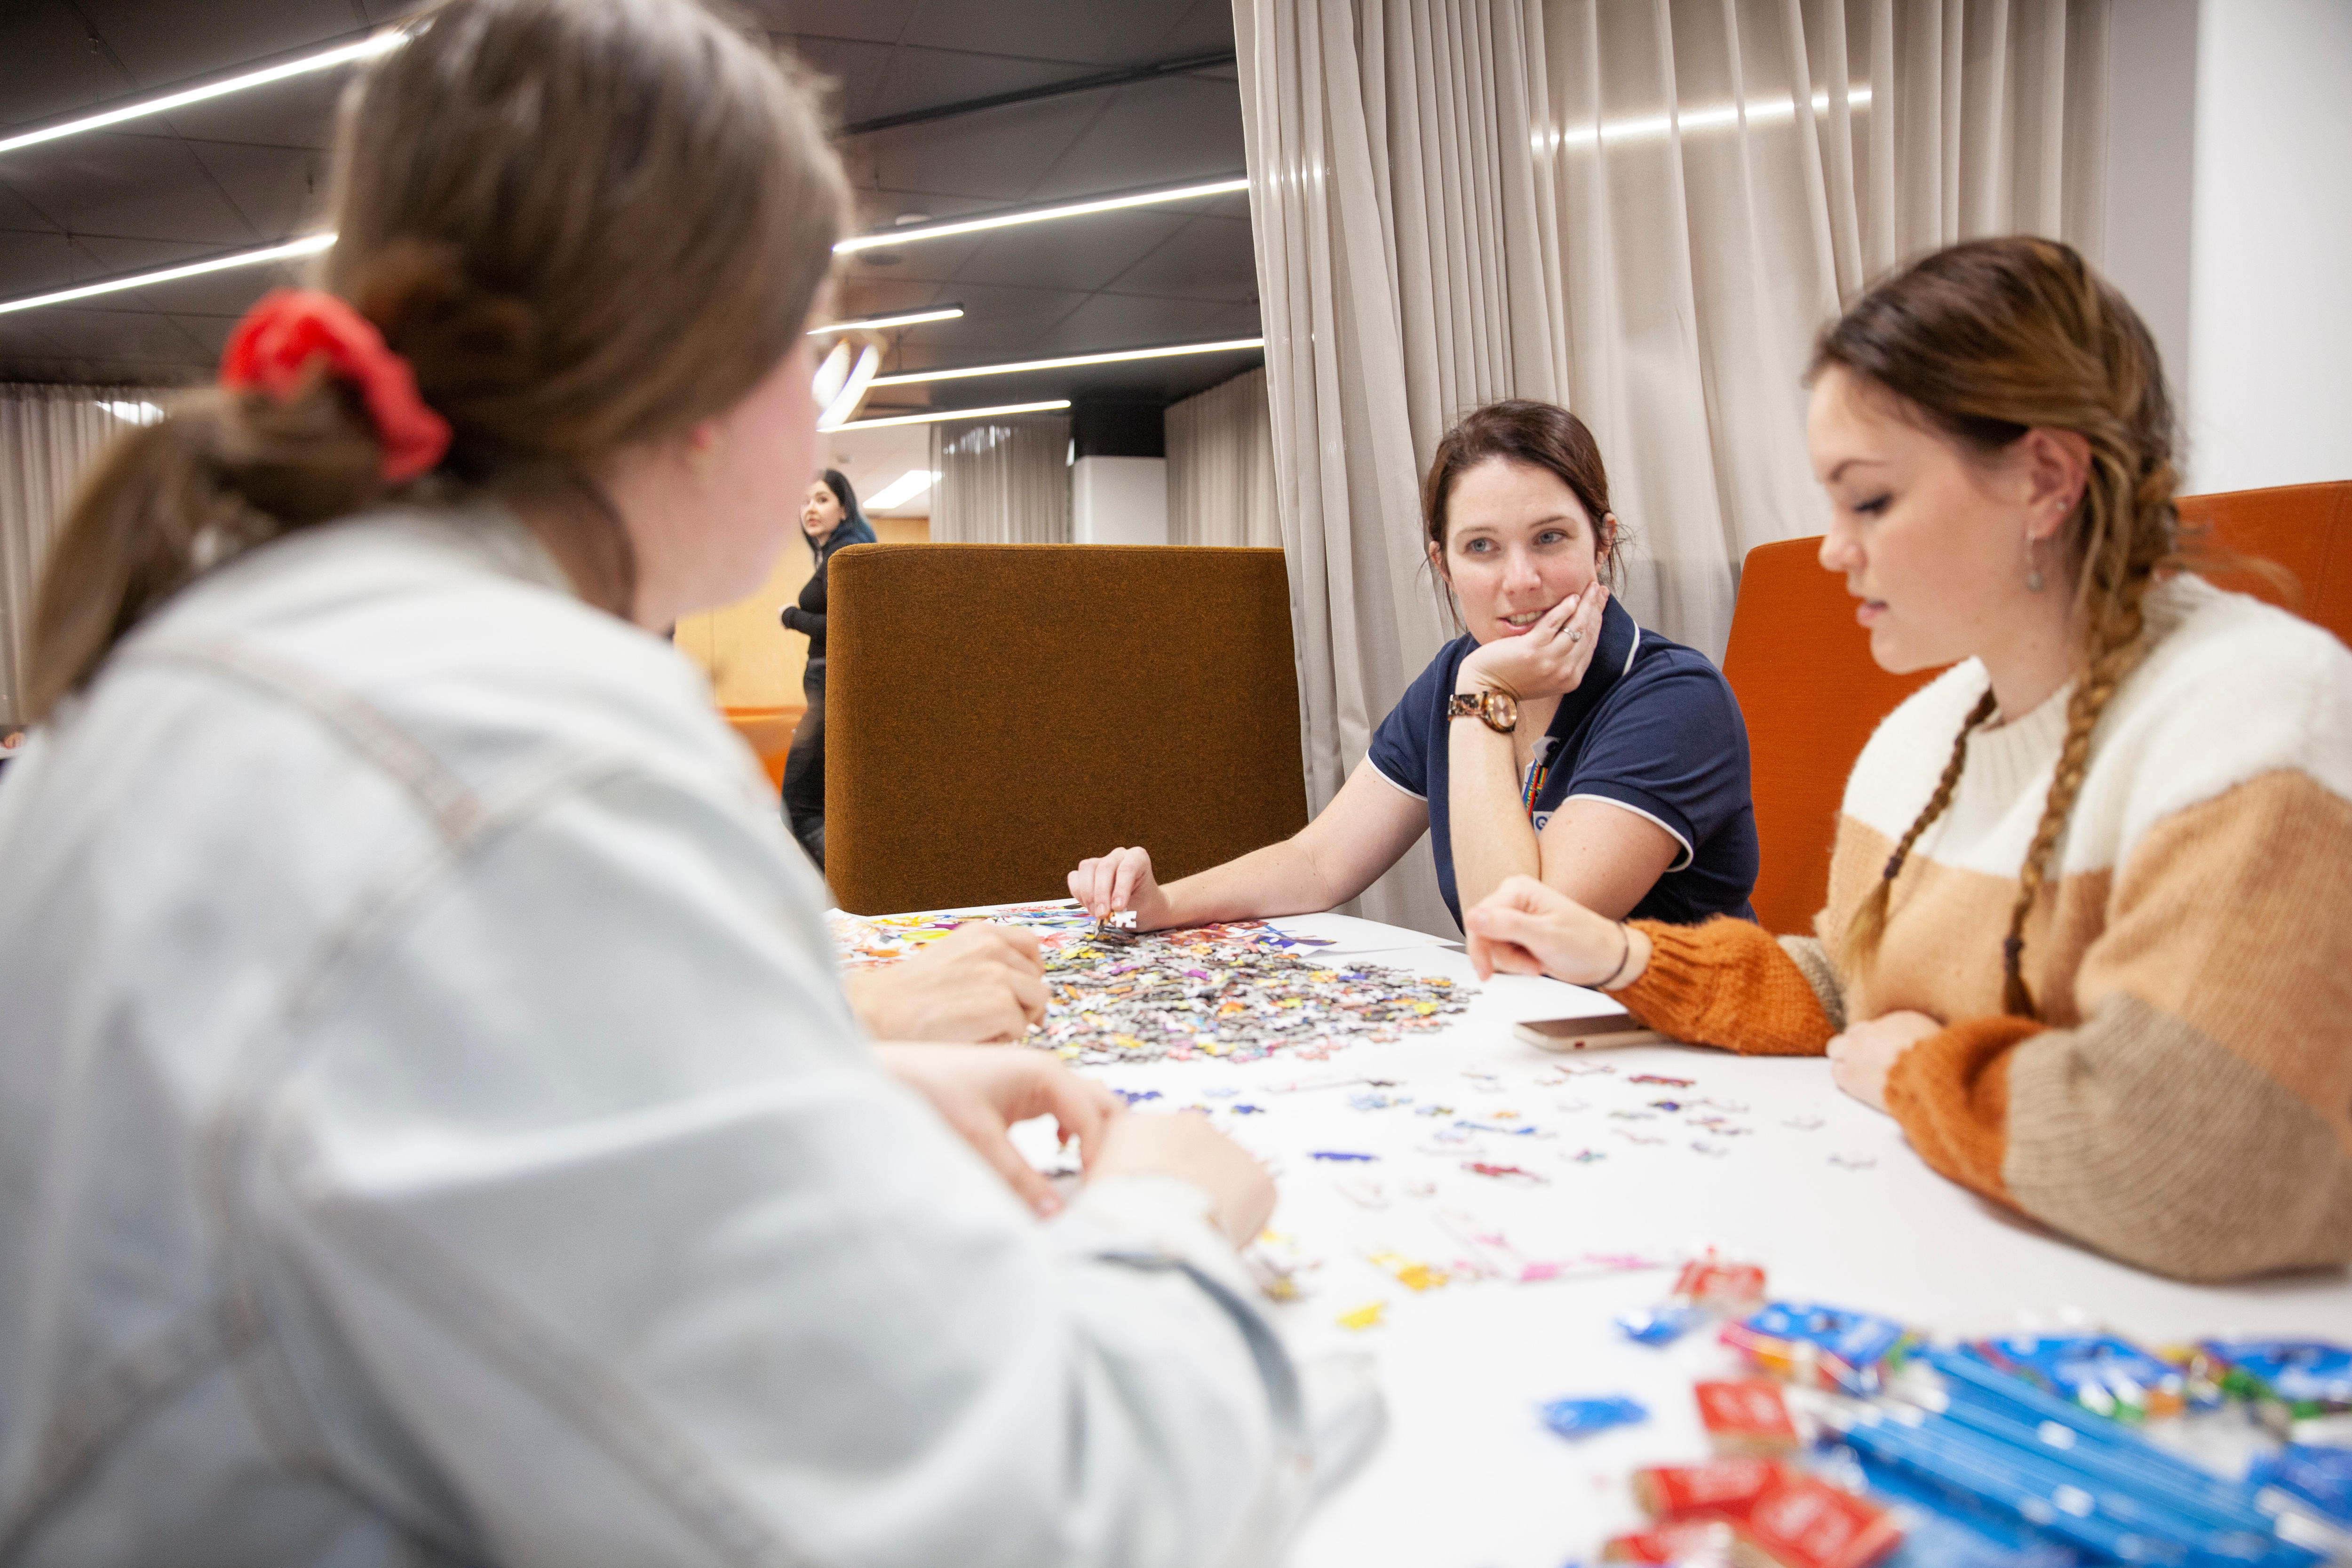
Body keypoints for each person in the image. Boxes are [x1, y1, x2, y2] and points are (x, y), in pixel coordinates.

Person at [0, 2, 1361, 1561]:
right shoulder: (540, 751)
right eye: (817, 340)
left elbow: (382, 1140)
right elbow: (1005, 1514)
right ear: (715, 367)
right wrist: (1167, 1217)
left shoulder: (235, 651)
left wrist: (804, 1100)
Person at [1461, 238, 2352, 1284]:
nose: (1833, 548)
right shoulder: (1922, 735)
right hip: (1980, 1263)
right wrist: (1623, 958)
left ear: (2047, 480)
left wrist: (1920, 1075)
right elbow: (1855, 988)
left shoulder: (2261, 720)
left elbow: (2190, 1165)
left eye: (1870, 501)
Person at [1071, 398, 1756, 937]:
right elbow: (1320, 863)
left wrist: (1485, 694)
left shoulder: (1673, 698)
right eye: (1481, 547)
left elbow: (1523, 928)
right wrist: (1162, 905)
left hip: (1675, 1054)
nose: (1520, 580)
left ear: (1602, 542)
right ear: (1444, 565)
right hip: (1534, 1046)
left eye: (1550, 538)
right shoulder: (1459, 671)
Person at [777, 466, 873, 867]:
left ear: (845, 508)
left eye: (821, 499)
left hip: (833, 685)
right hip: (825, 687)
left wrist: (790, 615)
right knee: (822, 802)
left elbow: (846, 625)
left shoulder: (844, 553)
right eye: (804, 501)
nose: (810, 509)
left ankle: (846, 885)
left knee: (798, 805)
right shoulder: (837, 550)